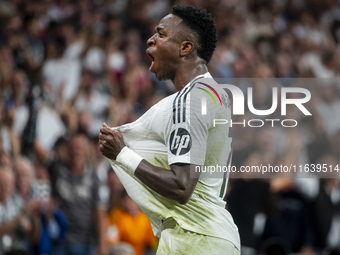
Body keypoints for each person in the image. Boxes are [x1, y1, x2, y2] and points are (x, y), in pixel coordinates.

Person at [99, 5, 240, 255]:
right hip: (212, 234)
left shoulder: (189, 100)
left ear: (185, 47)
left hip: (194, 237)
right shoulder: (215, 94)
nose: (150, 39)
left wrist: (122, 154)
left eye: (161, 34)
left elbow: (181, 186)